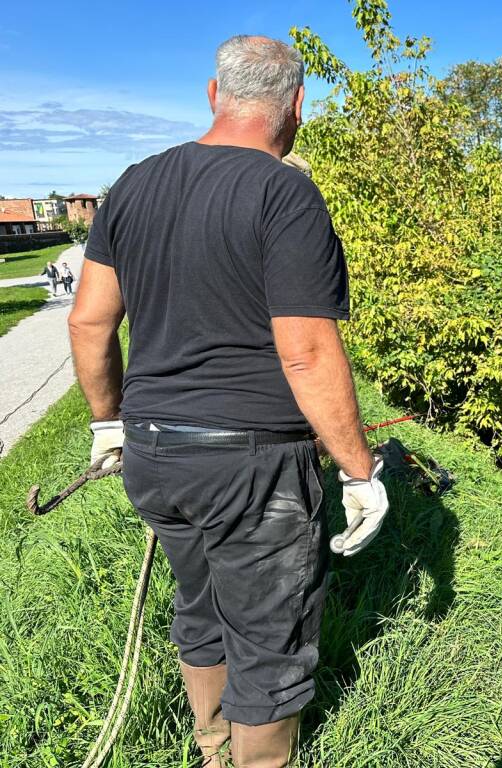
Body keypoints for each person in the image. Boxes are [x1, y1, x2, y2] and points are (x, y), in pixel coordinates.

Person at [67, 35, 389, 768]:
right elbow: (305, 350)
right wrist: (359, 472)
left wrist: (108, 423)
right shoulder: (285, 192)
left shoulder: (133, 184)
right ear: (298, 106)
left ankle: (212, 748)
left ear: (213, 96)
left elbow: (89, 321)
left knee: (200, 611)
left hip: (154, 457)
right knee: (268, 645)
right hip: (251, 472)